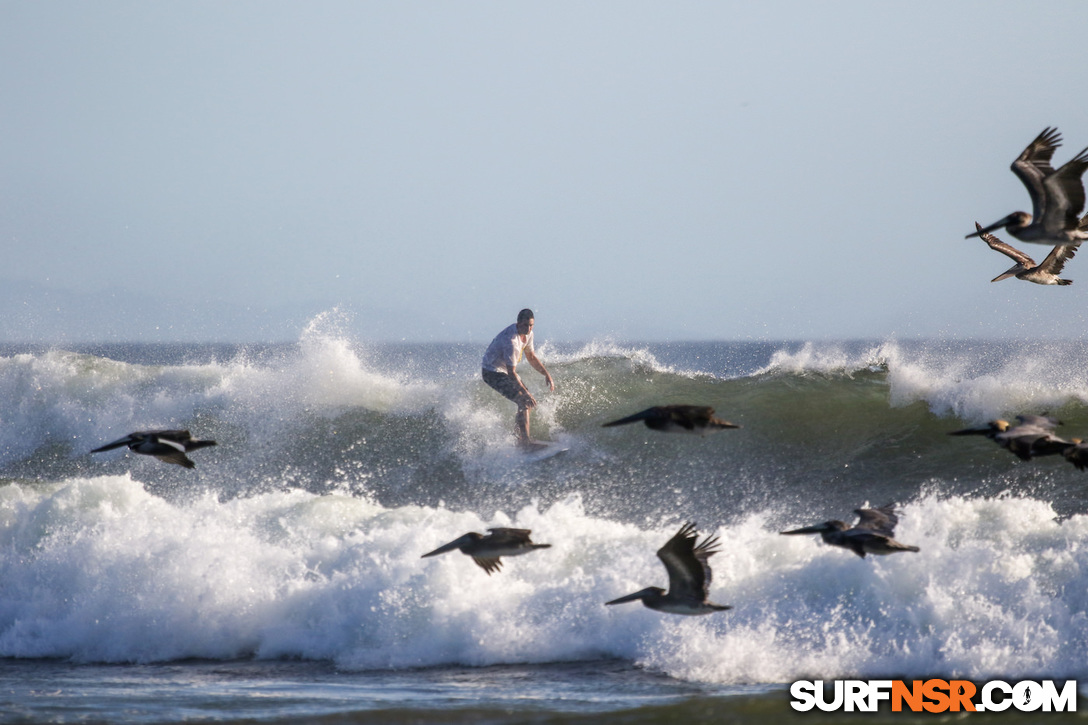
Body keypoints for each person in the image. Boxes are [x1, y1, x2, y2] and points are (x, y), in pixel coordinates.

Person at [481, 308, 555, 449]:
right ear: (518, 323)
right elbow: (511, 373)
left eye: (531, 325)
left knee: (525, 401)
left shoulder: (528, 334)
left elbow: (531, 356)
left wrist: (546, 374)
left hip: (501, 370)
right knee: (524, 400)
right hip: (491, 372)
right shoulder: (511, 341)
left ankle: (518, 439)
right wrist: (526, 393)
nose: (528, 328)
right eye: (525, 325)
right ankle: (525, 443)